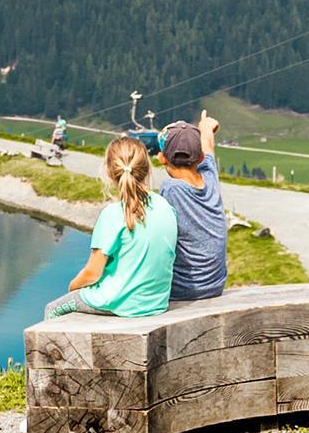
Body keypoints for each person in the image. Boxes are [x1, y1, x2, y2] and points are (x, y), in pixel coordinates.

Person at [38, 133, 176, 320]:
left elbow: (92, 274)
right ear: (146, 169)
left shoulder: (112, 215)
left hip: (119, 302)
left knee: (53, 309)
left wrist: (72, 289)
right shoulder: (165, 206)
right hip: (156, 302)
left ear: (110, 173)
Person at [154, 115, 230, 304]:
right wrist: (207, 126)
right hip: (215, 286)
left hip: (182, 290)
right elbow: (208, 146)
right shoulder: (210, 178)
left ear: (162, 158)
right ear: (201, 157)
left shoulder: (171, 189)